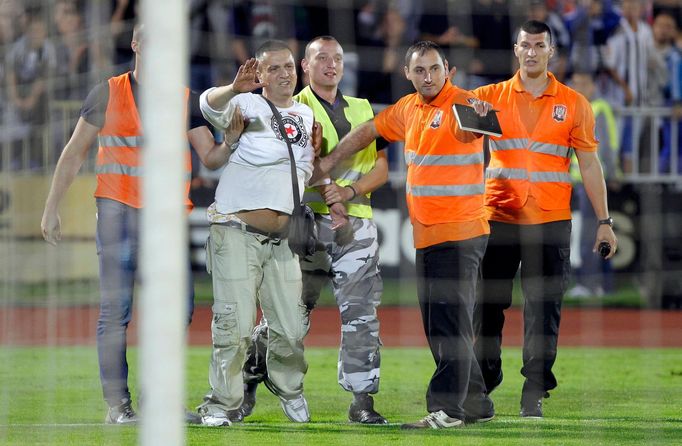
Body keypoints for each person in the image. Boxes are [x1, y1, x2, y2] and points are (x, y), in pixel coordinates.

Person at [40, 24, 230, 425]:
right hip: (118, 213)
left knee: (177, 310)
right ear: (136, 44)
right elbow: (74, 153)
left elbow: (210, 158)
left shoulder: (185, 100)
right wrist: (51, 207)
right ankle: (118, 405)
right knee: (116, 311)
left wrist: (232, 138)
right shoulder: (108, 91)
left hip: (166, 219)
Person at [315, 40, 493, 429]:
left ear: (449, 69)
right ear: (407, 74)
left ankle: (448, 411)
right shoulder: (408, 109)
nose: (428, 77)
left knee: (448, 324)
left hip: (461, 233)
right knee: (442, 322)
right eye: (419, 70)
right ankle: (477, 401)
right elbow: (368, 132)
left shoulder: (466, 103)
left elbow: (481, 126)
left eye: (434, 69)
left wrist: (481, 116)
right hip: (428, 234)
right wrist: (329, 160)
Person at [470, 20, 618, 419]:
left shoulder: (574, 103)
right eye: (525, 45)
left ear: (551, 51)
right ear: (515, 50)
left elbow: (590, 164)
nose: (531, 52)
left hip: (551, 221)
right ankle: (485, 377)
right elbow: (457, 140)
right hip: (499, 215)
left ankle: (534, 389)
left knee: (543, 311)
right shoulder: (487, 97)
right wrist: (462, 106)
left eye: (539, 45)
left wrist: (604, 221)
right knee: (486, 306)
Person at [238, 35, 390, 425]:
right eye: (321, 58)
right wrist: (327, 190)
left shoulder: (363, 108)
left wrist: (349, 190)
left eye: (337, 58)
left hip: (357, 226)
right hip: (305, 225)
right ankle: (250, 377)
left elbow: (382, 170)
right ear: (304, 66)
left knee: (361, 315)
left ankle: (362, 400)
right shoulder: (289, 107)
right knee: (286, 318)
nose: (330, 64)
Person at [195, 40, 321, 427]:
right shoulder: (245, 103)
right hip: (235, 228)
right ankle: (221, 403)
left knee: (291, 326)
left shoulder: (304, 113)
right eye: (275, 68)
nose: (286, 74)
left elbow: (298, 172)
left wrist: (313, 155)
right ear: (261, 75)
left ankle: (289, 387)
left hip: (282, 239)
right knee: (234, 323)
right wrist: (234, 88)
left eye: (289, 67)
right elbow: (206, 104)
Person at [568, 70, 621, 298]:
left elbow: (606, 147)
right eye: (575, 83)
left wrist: (612, 174)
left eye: (583, 83)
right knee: (595, 231)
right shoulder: (578, 108)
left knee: (591, 233)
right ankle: (604, 286)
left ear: (593, 86)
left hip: (591, 181)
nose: (579, 87)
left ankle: (589, 286)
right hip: (578, 181)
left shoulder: (596, 108)